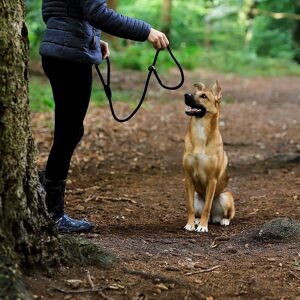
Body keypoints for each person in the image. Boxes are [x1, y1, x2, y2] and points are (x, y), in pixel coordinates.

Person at [39, 0, 169, 233]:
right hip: (70, 58)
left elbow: (56, 11)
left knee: (71, 130)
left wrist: (92, 39)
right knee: (68, 132)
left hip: (58, 52)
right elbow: (98, 13)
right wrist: (146, 31)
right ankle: (53, 212)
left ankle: (44, 188)